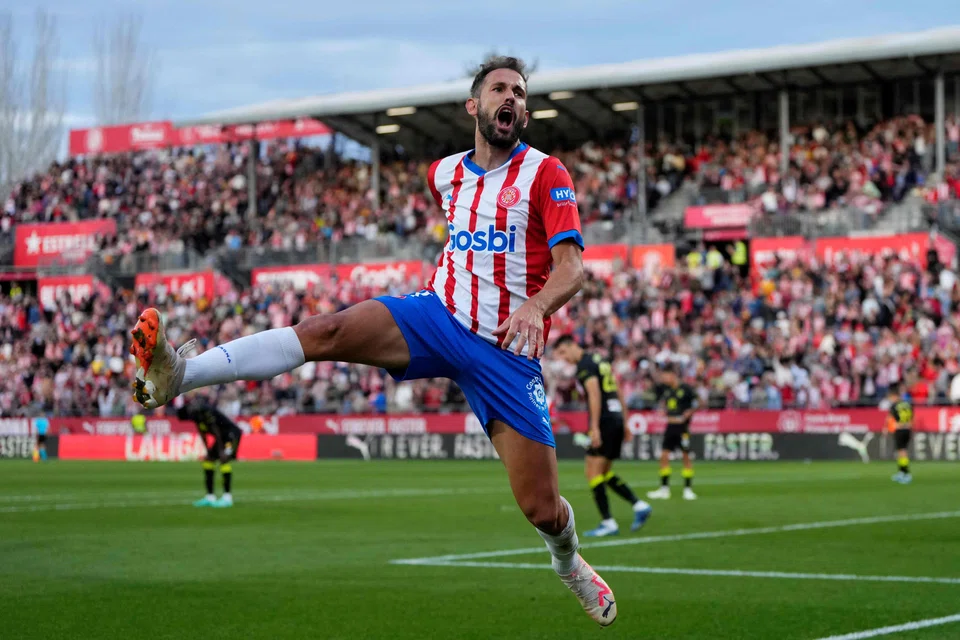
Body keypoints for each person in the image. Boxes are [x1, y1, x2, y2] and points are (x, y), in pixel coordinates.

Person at [129, 56, 617, 626]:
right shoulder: (445, 174)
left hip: (507, 354)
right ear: (474, 106)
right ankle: (179, 374)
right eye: (499, 89)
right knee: (325, 330)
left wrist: (536, 305)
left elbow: (572, 268)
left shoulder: (545, 173)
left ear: (525, 111)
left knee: (541, 509)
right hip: (437, 316)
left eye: (520, 92)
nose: (511, 98)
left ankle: (569, 564)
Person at [553, 335, 651, 537]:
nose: (564, 359)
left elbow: (594, 395)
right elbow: (618, 391)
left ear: (572, 345)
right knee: (604, 472)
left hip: (605, 421)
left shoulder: (585, 366)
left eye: (563, 353)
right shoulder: (600, 360)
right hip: (615, 419)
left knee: (593, 472)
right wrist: (625, 421)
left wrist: (594, 427)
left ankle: (608, 522)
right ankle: (639, 505)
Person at [175, 394, 243, 507]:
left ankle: (227, 498)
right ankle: (210, 497)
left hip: (231, 435)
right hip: (222, 437)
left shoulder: (204, 411)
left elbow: (216, 430)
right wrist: (208, 450)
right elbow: (202, 432)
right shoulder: (195, 414)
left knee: (224, 460)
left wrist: (221, 450)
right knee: (208, 460)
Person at [647, 365, 698, 501]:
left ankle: (688, 489)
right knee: (664, 456)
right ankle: (664, 489)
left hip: (682, 428)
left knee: (686, 457)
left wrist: (688, 414)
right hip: (670, 426)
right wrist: (663, 411)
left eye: (665, 376)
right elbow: (666, 405)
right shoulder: (667, 390)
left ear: (673, 375)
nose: (664, 379)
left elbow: (697, 403)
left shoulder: (686, 388)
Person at [885, 386, 913, 484]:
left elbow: (890, 418)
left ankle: (906, 473)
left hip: (899, 429)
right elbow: (911, 417)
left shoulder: (894, 406)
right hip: (908, 429)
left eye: (891, 397)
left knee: (902, 452)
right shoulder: (908, 404)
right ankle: (901, 472)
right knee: (902, 451)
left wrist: (886, 428)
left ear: (894, 396)